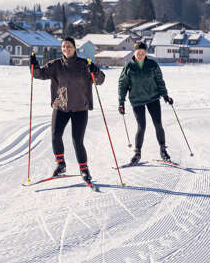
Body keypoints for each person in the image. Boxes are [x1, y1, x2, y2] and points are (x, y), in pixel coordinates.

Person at [30, 36, 105, 184]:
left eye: (69, 46)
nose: (66, 49)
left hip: (80, 108)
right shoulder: (55, 65)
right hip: (61, 106)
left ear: (75, 48)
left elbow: (100, 80)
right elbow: (39, 74)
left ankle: (84, 170)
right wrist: (33, 65)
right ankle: (61, 164)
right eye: (64, 46)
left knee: (77, 140)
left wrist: (95, 71)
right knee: (55, 136)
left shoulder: (84, 64)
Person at [118, 41, 173, 165]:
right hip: (137, 100)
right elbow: (122, 85)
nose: (140, 55)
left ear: (146, 53)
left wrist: (165, 95)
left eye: (142, 53)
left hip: (153, 98)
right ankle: (137, 153)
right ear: (134, 52)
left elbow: (160, 81)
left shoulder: (152, 64)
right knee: (141, 126)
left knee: (158, 124)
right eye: (138, 53)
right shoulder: (129, 66)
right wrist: (121, 102)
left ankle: (163, 150)